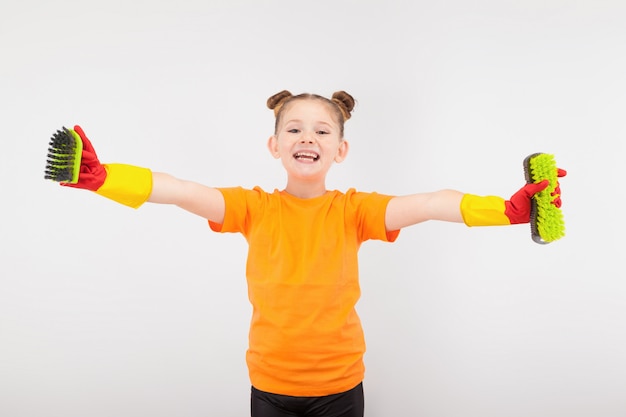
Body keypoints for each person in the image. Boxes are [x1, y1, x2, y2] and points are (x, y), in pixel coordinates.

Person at [58, 90, 565, 417]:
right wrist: (107, 180)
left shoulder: (354, 211)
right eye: (294, 129)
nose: (307, 137)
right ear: (274, 144)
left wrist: (506, 209)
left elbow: (432, 203)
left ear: (340, 150)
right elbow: (183, 190)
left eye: (322, 130)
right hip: (269, 386)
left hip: (340, 388)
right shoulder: (251, 208)